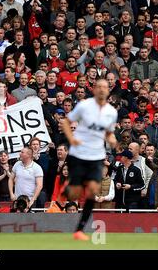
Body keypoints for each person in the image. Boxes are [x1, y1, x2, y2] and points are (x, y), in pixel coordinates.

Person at [61, 79, 118, 240]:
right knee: (73, 195)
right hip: (78, 154)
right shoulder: (84, 106)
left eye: (104, 87)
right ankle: (67, 186)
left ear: (108, 90)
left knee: (93, 190)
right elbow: (66, 121)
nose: (101, 90)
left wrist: (112, 139)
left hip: (97, 156)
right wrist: (71, 139)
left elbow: (108, 132)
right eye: (98, 86)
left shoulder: (111, 112)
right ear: (93, 89)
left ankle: (79, 230)